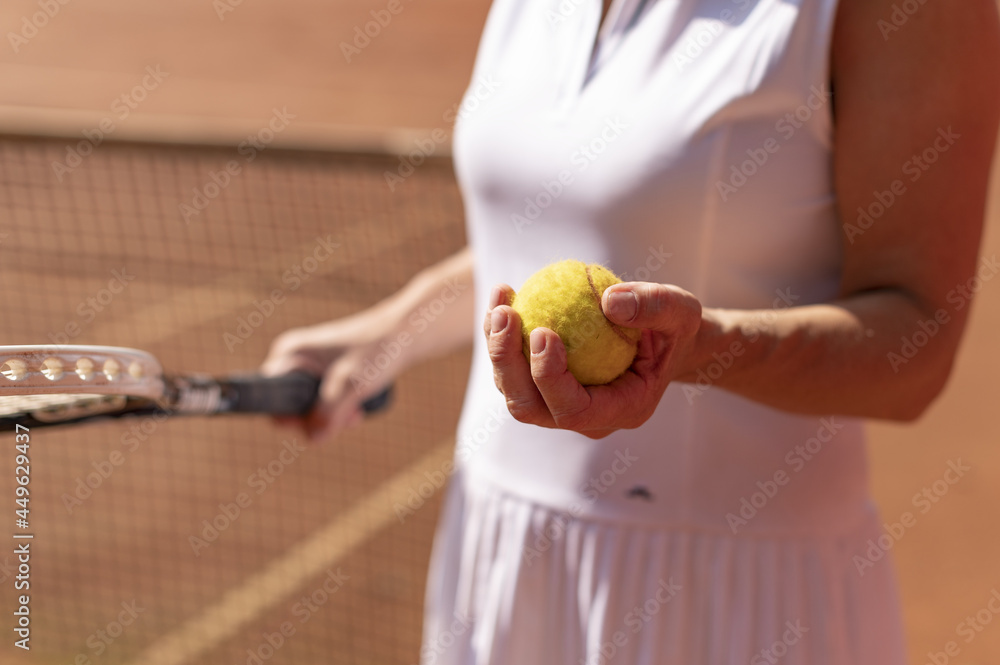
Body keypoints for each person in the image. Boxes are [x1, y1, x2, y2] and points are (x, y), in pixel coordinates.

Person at [263, 0, 1000, 662]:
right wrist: (391, 331)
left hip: (732, 602)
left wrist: (700, 350)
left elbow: (917, 345)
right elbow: (543, 230)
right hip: (499, 555)